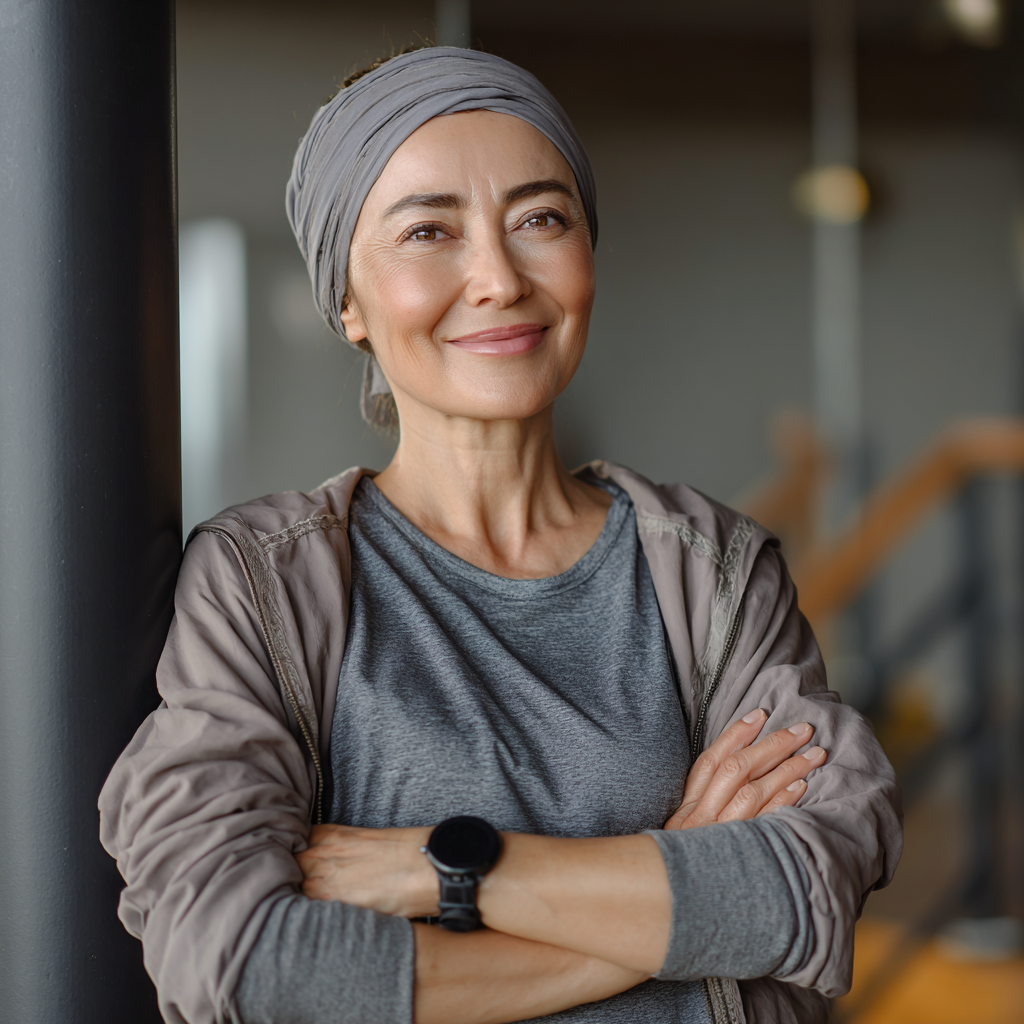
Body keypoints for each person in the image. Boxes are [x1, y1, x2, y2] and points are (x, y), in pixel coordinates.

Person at [99, 46, 902, 1024]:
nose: (496, 276)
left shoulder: (710, 564)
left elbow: (805, 888)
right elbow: (241, 959)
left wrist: (440, 870)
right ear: (347, 303)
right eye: (428, 230)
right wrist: (669, 891)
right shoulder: (262, 579)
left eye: (539, 219)